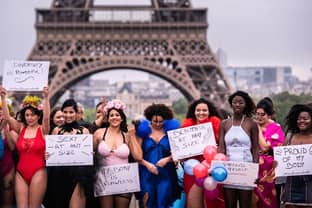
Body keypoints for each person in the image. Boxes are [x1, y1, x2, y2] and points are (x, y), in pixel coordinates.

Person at [0, 86, 50, 208]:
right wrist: (3, 96)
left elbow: (47, 118)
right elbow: (7, 118)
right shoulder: (21, 128)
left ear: (38, 115)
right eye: (27, 115)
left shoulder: (43, 130)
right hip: (21, 173)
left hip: (38, 171)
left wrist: (46, 98)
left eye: (32, 115)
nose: (29, 118)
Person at [45, 99, 93, 208]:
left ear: (76, 113)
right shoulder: (56, 131)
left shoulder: (84, 131)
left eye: (71, 112)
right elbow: (51, 153)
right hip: (59, 175)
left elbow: (88, 155)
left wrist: (90, 154)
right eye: (65, 112)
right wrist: (47, 155)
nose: (68, 115)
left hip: (78, 175)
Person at [93, 99, 142, 208]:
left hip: (123, 180)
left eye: (117, 115)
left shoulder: (127, 136)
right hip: (104, 180)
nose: (114, 117)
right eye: (111, 115)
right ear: (108, 118)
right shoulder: (99, 134)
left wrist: (132, 136)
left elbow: (138, 157)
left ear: (122, 118)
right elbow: (89, 154)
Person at [135, 103, 181, 207]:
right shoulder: (143, 132)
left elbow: (179, 153)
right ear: (149, 119)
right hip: (146, 173)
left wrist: (167, 159)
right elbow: (137, 155)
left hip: (166, 174)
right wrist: (148, 165)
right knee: (148, 203)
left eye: (161, 121)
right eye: (155, 121)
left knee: (164, 202)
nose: (158, 124)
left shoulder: (171, 131)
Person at [218, 90, 259, 208]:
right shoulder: (224, 124)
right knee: (229, 205)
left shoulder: (251, 123)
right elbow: (221, 148)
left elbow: (255, 149)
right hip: (229, 169)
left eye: (241, 102)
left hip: (246, 169)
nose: (237, 105)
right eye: (235, 102)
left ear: (246, 104)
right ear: (231, 104)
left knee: (245, 205)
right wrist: (218, 167)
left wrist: (254, 171)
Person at [181, 98, 224, 208]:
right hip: (193, 167)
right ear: (194, 112)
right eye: (198, 110)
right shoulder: (187, 126)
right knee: (192, 198)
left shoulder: (216, 124)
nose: (201, 113)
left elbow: (222, 145)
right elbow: (182, 148)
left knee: (211, 201)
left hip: (211, 167)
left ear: (209, 112)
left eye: (204, 110)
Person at [254, 98, 285, 208]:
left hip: (270, 172)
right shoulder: (251, 126)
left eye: (263, 114)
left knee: (271, 201)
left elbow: (265, 147)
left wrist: (257, 128)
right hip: (254, 170)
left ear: (269, 115)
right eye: (257, 114)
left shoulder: (275, 127)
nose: (259, 117)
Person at [282, 104, 312, 207]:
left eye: (305, 118)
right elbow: (282, 163)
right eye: (299, 119)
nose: (301, 121)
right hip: (291, 184)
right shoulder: (290, 137)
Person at [0, 101, 18, 208]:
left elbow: (12, 147)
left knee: (7, 203)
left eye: (2, 111)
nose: (0, 113)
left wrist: (5, 128)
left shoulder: (11, 128)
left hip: (8, 168)